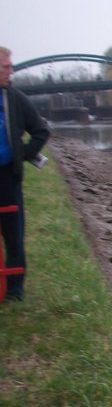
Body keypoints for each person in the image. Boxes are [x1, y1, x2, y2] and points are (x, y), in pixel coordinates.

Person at [0, 46, 51, 303]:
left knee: (13, 234)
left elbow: (41, 131)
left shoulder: (16, 99)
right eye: (6, 67)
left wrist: (21, 154)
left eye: (11, 67)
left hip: (8, 177)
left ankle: (14, 291)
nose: (11, 72)